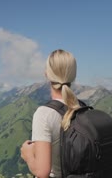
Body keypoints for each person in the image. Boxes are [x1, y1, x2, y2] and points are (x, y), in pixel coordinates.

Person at [21, 49, 80, 178]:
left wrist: (28, 155)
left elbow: (43, 173)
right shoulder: (82, 108)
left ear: (47, 74)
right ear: (73, 75)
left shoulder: (44, 114)